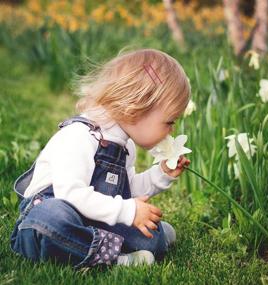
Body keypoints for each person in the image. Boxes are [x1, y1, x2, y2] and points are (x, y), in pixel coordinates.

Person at [10, 48, 191, 268]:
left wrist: (161, 174)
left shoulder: (125, 146)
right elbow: (71, 195)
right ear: (135, 109)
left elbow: (127, 190)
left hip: (91, 217)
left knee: (153, 239)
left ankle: (102, 243)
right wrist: (127, 211)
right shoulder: (80, 136)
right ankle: (115, 259)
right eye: (169, 121)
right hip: (52, 215)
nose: (171, 130)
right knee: (51, 219)